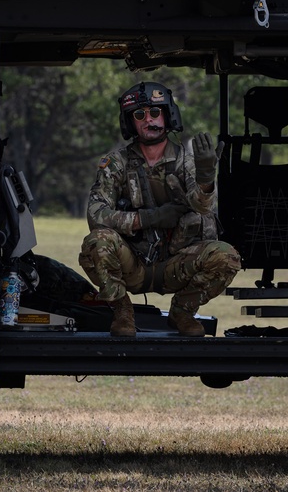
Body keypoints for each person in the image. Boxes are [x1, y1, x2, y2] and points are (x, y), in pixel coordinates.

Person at [79, 81, 241, 337]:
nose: (148, 120)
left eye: (155, 113)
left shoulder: (185, 162)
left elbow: (203, 205)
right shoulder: (117, 163)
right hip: (133, 263)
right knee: (96, 242)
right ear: (130, 122)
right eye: (140, 115)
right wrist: (147, 218)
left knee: (226, 256)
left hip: (177, 264)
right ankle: (122, 311)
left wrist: (206, 176)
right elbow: (96, 213)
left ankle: (182, 311)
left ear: (168, 116)